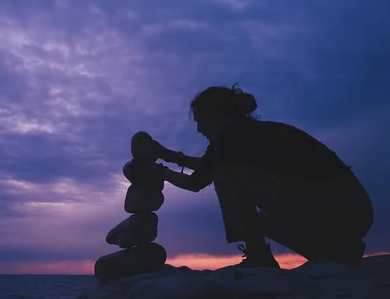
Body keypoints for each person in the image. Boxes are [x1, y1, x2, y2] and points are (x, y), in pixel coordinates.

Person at [150, 84, 374, 268]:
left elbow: (197, 180)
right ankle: (339, 252)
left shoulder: (229, 142)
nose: (199, 129)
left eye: (200, 121)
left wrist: (160, 172)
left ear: (216, 116)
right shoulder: (248, 133)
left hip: (339, 210)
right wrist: (169, 156)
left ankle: (258, 256)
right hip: (356, 212)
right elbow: (206, 166)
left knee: (227, 176)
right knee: (259, 222)